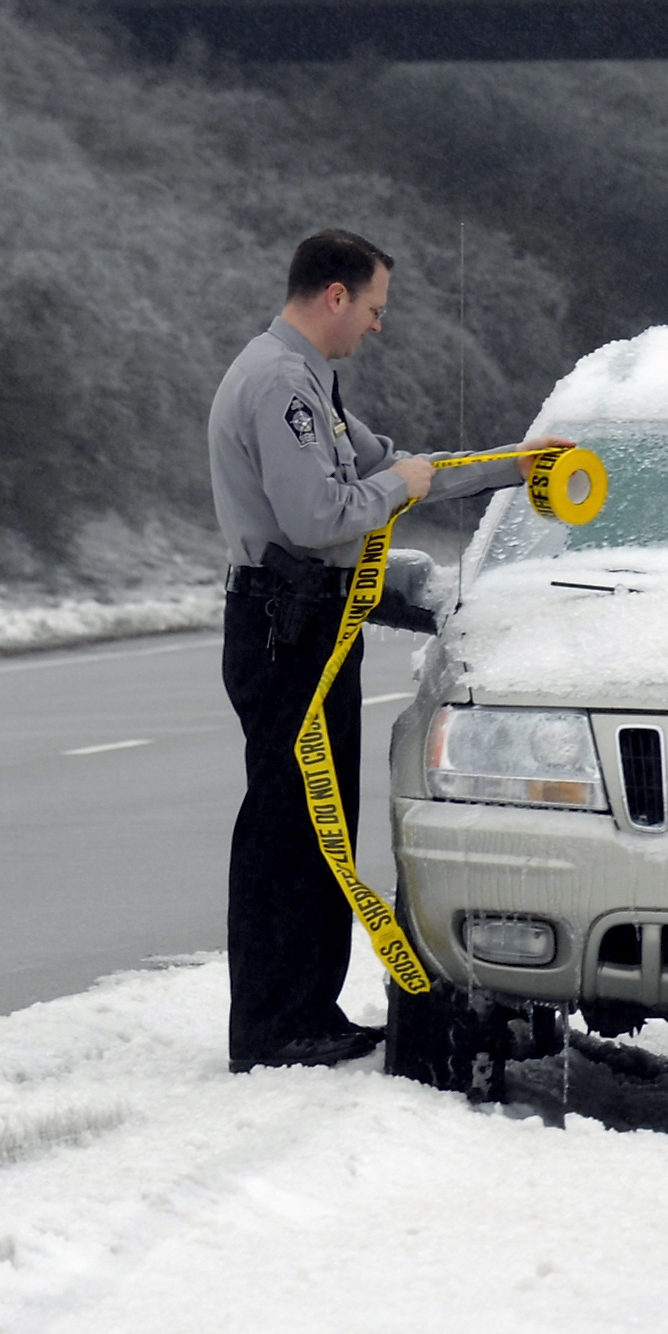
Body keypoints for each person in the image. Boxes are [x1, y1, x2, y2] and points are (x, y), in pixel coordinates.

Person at [206, 229, 534, 1072]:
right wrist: (400, 488)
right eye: (377, 309)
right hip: (287, 627)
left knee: (318, 823)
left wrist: (516, 468)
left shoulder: (309, 380)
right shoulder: (281, 383)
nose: (379, 327)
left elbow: (398, 466)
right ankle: (276, 1030)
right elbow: (323, 515)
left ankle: (301, 1011)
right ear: (336, 295)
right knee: (288, 827)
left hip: (308, 623)